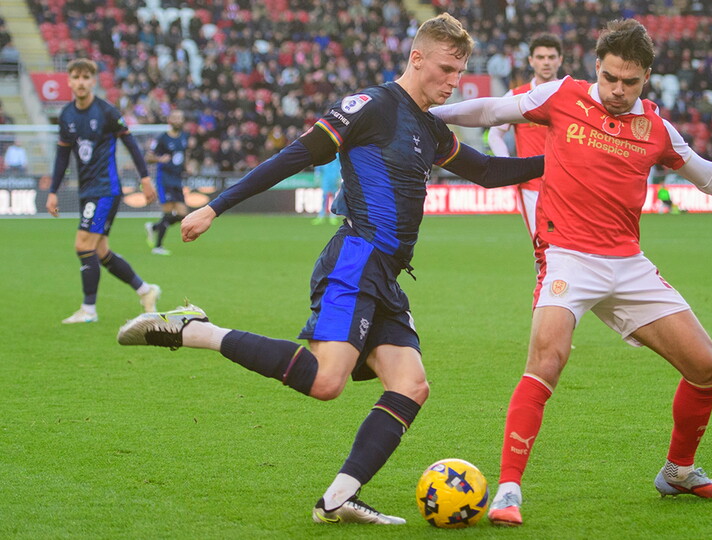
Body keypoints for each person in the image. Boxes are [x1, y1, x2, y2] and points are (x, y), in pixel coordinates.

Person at [116, 14, 543, 526]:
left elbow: (489, 172)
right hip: (356, 260)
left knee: (411, 385)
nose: (454, 82)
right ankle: (196, 330)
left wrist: (562, 163)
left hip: (386, 276)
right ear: (416, 57)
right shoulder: (370, 107)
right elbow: (294, 156)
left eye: (460, 72)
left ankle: (337, 498)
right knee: (326, 381)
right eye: (447, 69)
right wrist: (215, 206)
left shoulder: (432, 128)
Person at [431, 18, 712, 527]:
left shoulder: (656, 127)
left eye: (629, 81)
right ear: (595, 68)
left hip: (628, 265)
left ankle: (678, 470)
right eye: (609, 78)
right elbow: (492, 109)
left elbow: (707, 173)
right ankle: (509, 490)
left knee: (707, 367)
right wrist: (424, 107)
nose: (617, 90)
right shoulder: (562, 95)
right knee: (547, 360)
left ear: (646, 76)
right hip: (567, 257)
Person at [46, 58, 161, 324]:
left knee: (82, 244)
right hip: (88, 191)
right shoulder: (66, 115)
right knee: (100, 251)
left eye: (86, 77)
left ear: (93, 80)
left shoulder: (107, 112)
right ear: (69, 81)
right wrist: (53, 190)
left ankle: (88, 310)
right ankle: (146, 291)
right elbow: (62, 157)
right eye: (76, 77)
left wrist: (145, 177)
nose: (81, 82)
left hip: (106, 191)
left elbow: (131, 144)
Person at [487, 33, 562, 241]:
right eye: (540, 57)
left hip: (569, 184)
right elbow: (494, 135)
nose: (546, 62)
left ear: (560, 59)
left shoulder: (571, 94)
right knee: (542, 245)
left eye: (551, 57)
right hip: (532, 186)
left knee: (574, 248)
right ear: (531, 60)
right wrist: (510, 167)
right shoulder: (517, 96)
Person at [144, 109, 189, 255]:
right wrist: (159, 159)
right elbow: (148, 157)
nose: (178, 120)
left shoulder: (184, 137)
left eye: (180, 118)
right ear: (170, 120)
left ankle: (154, 227)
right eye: (175, 118)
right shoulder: (162, 138)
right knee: (168, 211)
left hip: (177, 179)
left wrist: (187, 167)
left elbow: (183, 155)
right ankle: (158, 246)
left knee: (182, 214)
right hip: (165, 179)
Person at [311, 153, 341, 225]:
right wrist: (317, 175)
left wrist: (339, 177)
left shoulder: (337, 155)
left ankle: (333, 216)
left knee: (333, 198)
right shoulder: (324, 154)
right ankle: (321, 216)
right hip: (326, 179)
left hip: (334, 178)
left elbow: (340, 165)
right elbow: (318, 166)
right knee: (325, 197)